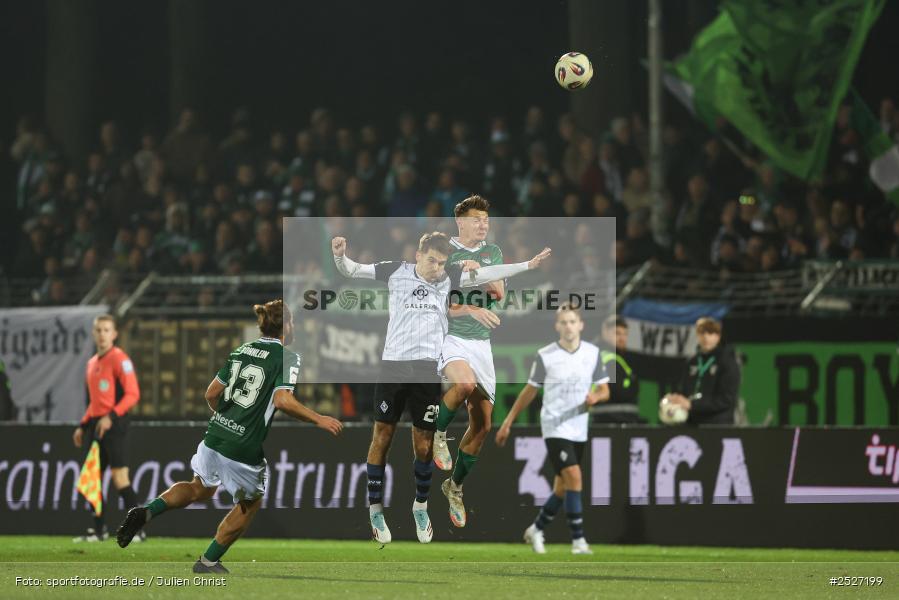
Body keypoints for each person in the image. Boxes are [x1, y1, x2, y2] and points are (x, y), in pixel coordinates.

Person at [332, 232, 550, 544]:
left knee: (423, 444)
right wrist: (340, 255)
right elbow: (353, 270)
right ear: (418, 254)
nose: (437, 267)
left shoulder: (450, 276)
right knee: (382, 437)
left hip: (425, 370)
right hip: (393, 366)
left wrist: (528, 264)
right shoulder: (395, 270)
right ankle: (376, 508)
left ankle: (420, 506)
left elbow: (490, 274)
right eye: (432, 260)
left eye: (442, 262)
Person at [115, 300, 343, 573]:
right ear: (285, 326)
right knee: (250, 503)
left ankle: (147, 511)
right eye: (292, 322)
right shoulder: (287, 356)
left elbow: (211, 394)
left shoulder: (241, 350)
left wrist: (225, 417)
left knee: (198, 488)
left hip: (215, 434)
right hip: (243, 445)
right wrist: (319, 418)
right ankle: (209, 560)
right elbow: (282, 400)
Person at [495, 303, 610, 555]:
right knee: (575, 477)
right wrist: (507, 421)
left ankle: (536, 528)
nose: (568, 326)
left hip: (579, 427)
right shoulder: (546, 355)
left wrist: (595, 398)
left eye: (572, 321)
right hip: (555, 425)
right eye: (564, 322)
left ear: (581, 325)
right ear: (557, 326)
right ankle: (579, 541)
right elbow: (530, 390)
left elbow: (604, 389)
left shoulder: (592, 353)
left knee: (563, 487)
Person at [432, 194, 507, 529]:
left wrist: (481, 270)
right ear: (460, 222)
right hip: (449, 336)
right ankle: (438, 432)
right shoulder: (443, 252)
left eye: (486, 220)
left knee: (483, 425)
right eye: (477, 219)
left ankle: (455, 487)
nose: (483, 224)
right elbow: (437, 304)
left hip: (482, 344)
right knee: (464, 384)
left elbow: (499, 293)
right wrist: (470, 307)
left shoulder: (493, 252)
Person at [72, 315, 141, 543]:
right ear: (94, 334)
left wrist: (110, 417)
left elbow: (133, 395)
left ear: (114, 334)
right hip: (96, 425)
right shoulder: (92, 363)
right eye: (98, 330)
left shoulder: (120, 359)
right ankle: (99, 530)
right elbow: (94, 402)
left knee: (120, 478)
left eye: (106, 330)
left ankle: (138, 530)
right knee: (92, 477)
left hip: (115, 424)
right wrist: (83, 425)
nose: (102, 334)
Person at [666, 317, 740, 425]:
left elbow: (726, 399)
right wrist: (677, 399)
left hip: (718, 426)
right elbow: (684, 391)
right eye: (702, 333)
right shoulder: (692, 361)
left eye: (710, 332)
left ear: (718, 336)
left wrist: (692, 405)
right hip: (693, 424)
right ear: (697, 335)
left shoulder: (727, 362)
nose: (706, 337)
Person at [594, 315, 641, 423]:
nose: (622, 338)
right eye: (617, 333)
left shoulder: (620, 358)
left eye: (625, 334)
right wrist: (632, 385)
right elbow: (620, 393)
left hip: (619, 420)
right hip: (611, 421)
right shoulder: (607, 358)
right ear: (605, 333)